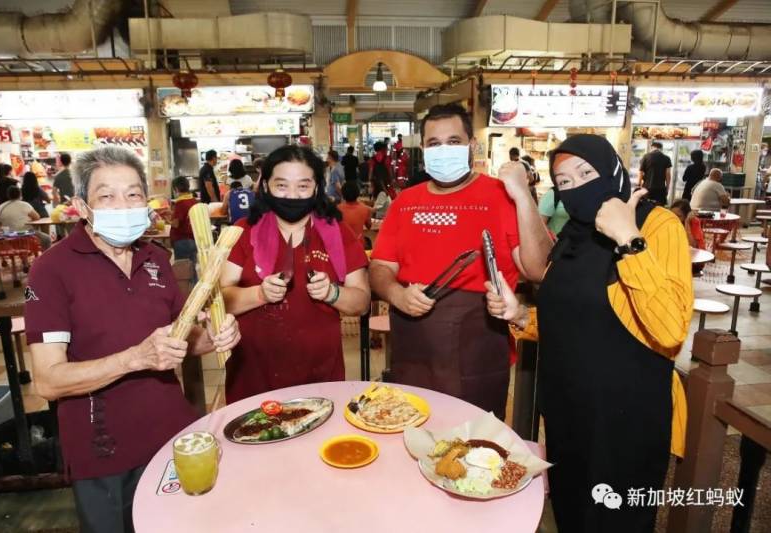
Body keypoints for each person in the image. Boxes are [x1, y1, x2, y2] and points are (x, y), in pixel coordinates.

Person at [24, 146, 240, 533]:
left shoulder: (156, 258)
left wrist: (214, 335)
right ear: (82, 206)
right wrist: (135, 357)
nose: (122, 205)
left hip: (171, 438)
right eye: (106, 195)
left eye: (133, 194)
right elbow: (48, 380)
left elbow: (180, 340)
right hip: (103, 453)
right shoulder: (52, 269)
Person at [485, 134, 692, 533]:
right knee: (573, 514)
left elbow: (670, 330)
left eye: (586, 172)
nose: (576, 186)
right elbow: (574, 316)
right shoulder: (572, 236)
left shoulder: (657, 225)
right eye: (564, 181)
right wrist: (522, 315)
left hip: (624, 422)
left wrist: (628, 241)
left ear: (614, 171)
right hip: (567, 416)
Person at [369, 103, 552, 417]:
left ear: (471, 146)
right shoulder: (406, 202)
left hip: (478, 343)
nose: (443, 151)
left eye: (453, 142)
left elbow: (537, 270)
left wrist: (523, 195)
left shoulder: (500, 194)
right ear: (423, 150)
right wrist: (397, 294)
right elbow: (380, 267)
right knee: (411, 428)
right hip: (415, 343)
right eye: (434, 144)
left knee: (471, 443)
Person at [220, 145, 370, 403]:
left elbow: (362, 302)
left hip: (321, 378)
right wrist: (259, 294)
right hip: (254, 378)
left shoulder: (338, 233)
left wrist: (333, 293)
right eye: (282, 185)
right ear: (265, 186)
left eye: (303, 186)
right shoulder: (243, 231)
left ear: (316, 188)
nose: (292, 195)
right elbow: (222, 299)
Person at [0, 186, 51, 250]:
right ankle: (45, 257)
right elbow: (37, 217)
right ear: (20, 194)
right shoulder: (25, 205)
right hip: (26, 234)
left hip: (8, 236)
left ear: (8, 195)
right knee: (47, 239)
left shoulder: (2, 206)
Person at [169, 176, 199, 276]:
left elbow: (176, 224)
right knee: (192, 269)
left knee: (183, 272)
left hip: (182, 241)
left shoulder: (180, 203)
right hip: (193, 239)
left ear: (176, 189)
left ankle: (185, 291)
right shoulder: (193, 200)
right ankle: (194, 289)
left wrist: (167, 220)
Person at [639, 141, 672, 205]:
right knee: (659, 207)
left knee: (646, 206)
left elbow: (641, 172)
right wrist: (667, 187)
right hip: (660, 188)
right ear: (661, 148)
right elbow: (668, 174)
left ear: (652, 147)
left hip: (647, 187)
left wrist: (639, 184)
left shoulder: (646, 156)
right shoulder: (666, 158)